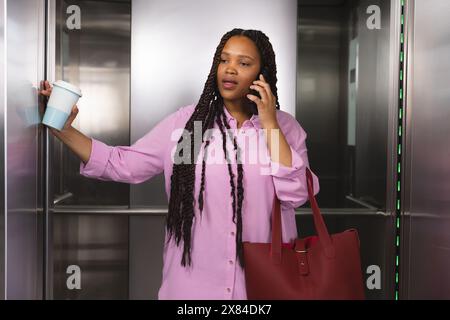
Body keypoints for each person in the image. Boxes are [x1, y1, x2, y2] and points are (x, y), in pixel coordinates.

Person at [39, 28, 320, 300]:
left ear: (262, 75)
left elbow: (296, 195)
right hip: (192, 289)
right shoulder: (188, 126)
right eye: (224, 60)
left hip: (263, 289)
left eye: (243, 63)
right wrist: (63, 130)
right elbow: (121, 163)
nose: (230, 68)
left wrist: (270, 123)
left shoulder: (286, 128)